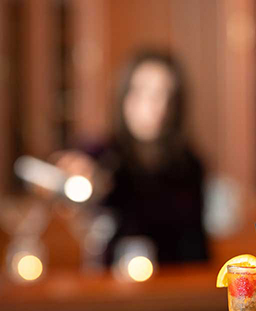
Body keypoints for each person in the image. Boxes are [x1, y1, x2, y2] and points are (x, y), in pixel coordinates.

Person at [57, 50, 208, 265]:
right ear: (124, 96)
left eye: (165, 94)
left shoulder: (190, 165)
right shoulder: (102, 155)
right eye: (142, 92)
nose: (154, 106)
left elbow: (196, 247)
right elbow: (73, 167)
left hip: (173, 288)